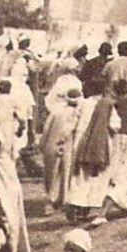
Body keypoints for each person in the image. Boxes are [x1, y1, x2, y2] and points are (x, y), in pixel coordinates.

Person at [62, 77, 119, 221]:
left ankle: (76, 205)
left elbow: (72, 123)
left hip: (80, 143)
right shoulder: (107, 105)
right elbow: (115, 125)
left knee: (80, 177)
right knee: (95, 176)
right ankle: (86, 208)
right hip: (100, 144)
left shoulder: (83, 104)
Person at [39, 75, 82, 209]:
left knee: (51, 173)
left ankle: (50, 200)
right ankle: (62, 200)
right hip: (65, 144)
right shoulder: (75, 114)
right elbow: (68, 130)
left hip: (51, 144)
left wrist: (43, 144)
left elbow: (46, 129)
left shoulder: (55, 112)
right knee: (65, 172)